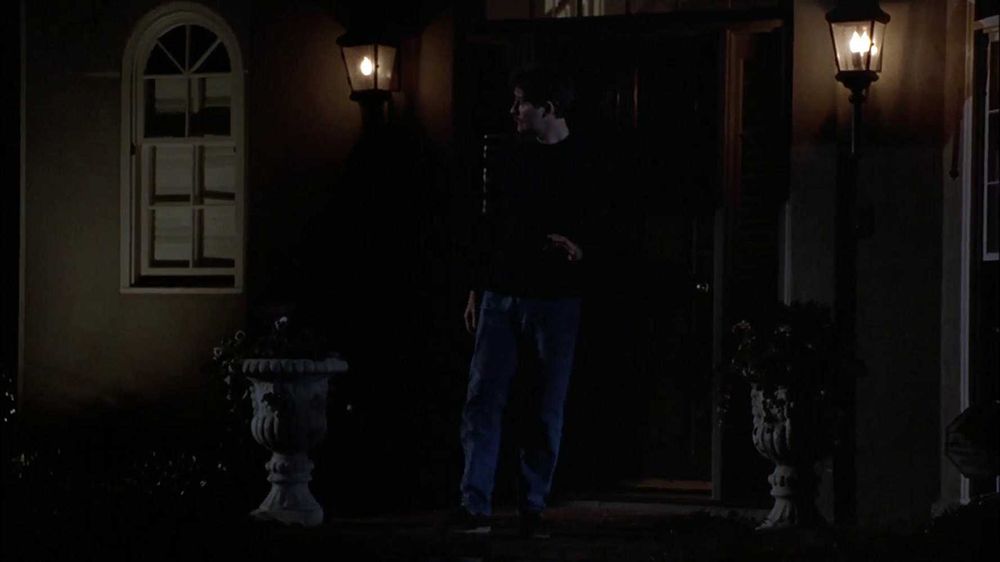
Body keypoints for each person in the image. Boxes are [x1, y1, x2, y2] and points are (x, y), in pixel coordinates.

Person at [452, 65, 588, 538]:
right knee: (482, 401)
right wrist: (477, 289)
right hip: (502, 295)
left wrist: (580, 250)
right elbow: (487, 225)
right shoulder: (509, 157)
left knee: (545, 407)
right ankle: (475, 505)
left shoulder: (582, 162)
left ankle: (533, 505)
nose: (513, 111)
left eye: (521, 103)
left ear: (547, 109)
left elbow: (607, 225)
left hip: (555, 301)